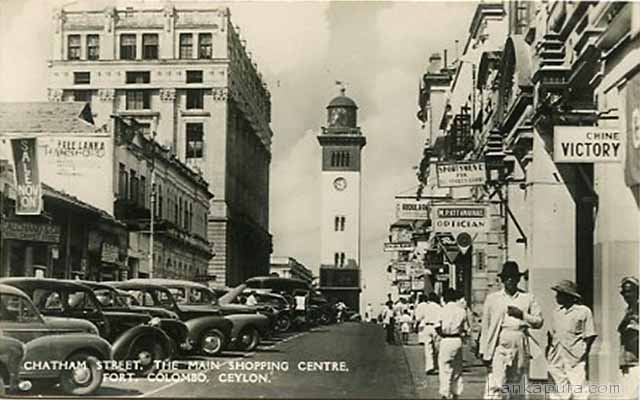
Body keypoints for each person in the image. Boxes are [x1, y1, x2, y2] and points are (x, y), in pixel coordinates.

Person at [479, 261, 543, 400]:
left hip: (519, 342)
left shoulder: (527, 298)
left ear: (518, 279)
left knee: (517, 382)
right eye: (507, 277)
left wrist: (522, 315)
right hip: (499, 344)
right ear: (502, 280)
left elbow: (539, 322)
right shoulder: (493, 299)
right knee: (496, 382)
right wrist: (484, 351)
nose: (510, 280)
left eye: (513, 277)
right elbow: (486, 326)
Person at [546, 280, 596, 400]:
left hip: (575, 356)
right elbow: (551, 335)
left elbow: (590, 335)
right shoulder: (556, 312)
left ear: (569, 296)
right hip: (557, 356)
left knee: (579, 389)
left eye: (560, 294)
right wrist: (549, 353)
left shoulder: (583, 311)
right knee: (558, 390)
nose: (557, 297)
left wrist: (583, 352)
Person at [437, 288, 469, 400]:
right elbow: (465, 329)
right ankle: (456, 393)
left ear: (444, 298)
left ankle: (445, 393)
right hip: (457, 340)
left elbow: (437, 327)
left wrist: (442, 333)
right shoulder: (462, 311)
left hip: (446, 340)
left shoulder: (442, 310)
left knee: (444, 367)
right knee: (457, 368)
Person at [618, 276, 638, 399]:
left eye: (630, 291)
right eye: (624, 292)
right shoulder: (629, 310)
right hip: (628, 360)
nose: (626, 295)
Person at [415, 292, 443, 375]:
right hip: (436, 327)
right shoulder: (439, 307)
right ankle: (438, 366)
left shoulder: (425, 306)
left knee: (428, 348)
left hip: (426, 327)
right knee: (438, 348)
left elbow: (418, 317)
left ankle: (429, 367)